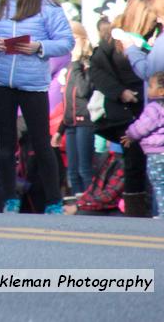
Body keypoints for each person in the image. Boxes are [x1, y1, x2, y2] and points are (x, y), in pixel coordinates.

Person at [0, 0, 74, 215]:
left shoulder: (47, 6)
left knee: (42, 143)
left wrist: (39, 46)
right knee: (5, 146)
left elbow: (67, 41)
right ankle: (10, 198)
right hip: (0, 81)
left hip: (33, 84)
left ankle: (53, 200)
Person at [91, 0, 156, 217]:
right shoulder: (115, 37)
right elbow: (96, 70)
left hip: (154, 107)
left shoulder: (156, 36)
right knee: (134, 161)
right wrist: (120, 92)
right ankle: (136, 212)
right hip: (126, 110)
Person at [53, 21, 95, 202]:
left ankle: (89, 200)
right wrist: (59, 130)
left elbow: (84, 90)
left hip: (85, 121)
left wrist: (77, 61)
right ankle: (77, 202)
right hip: (70, 123)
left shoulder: (87, 65)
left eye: (74, 38)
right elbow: (67, 102)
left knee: (84, 168)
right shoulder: (71, 66)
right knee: (72, 169)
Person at [123, 71, 164, 217]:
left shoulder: (153, 108)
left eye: (151, 86)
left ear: (161, 91)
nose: (148, 89)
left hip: (156, 154)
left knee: (159, 184)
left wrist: (130, 134)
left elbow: (142, 126)